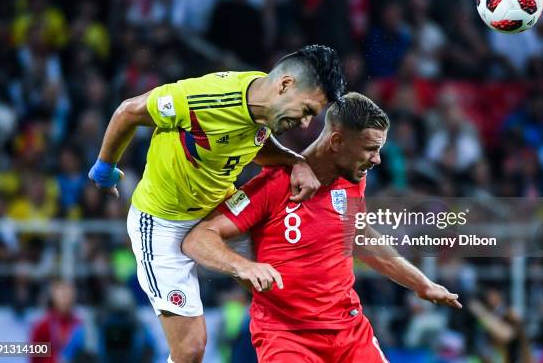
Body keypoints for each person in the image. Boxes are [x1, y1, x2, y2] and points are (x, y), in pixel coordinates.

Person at [87, 45, 346, 363]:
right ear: (285, 85)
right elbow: (128, 111)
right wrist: (104, 169)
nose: (306, 124)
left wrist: (295, 162)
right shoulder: (203, 99)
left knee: (286, 288)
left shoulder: (265, 107)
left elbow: (255, 145)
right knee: (191, 350)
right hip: (160, 224)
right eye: (307, 111)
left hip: (216, 211)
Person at [182, 93, 462, 362]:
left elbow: (359, 237)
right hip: (287, 336)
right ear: (337, 141)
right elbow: (198, 239)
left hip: (349, 332)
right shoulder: (275, 184)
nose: (377, 159)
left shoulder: (353, 178)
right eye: (370, 149)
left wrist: (422, 284)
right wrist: (243, 266)